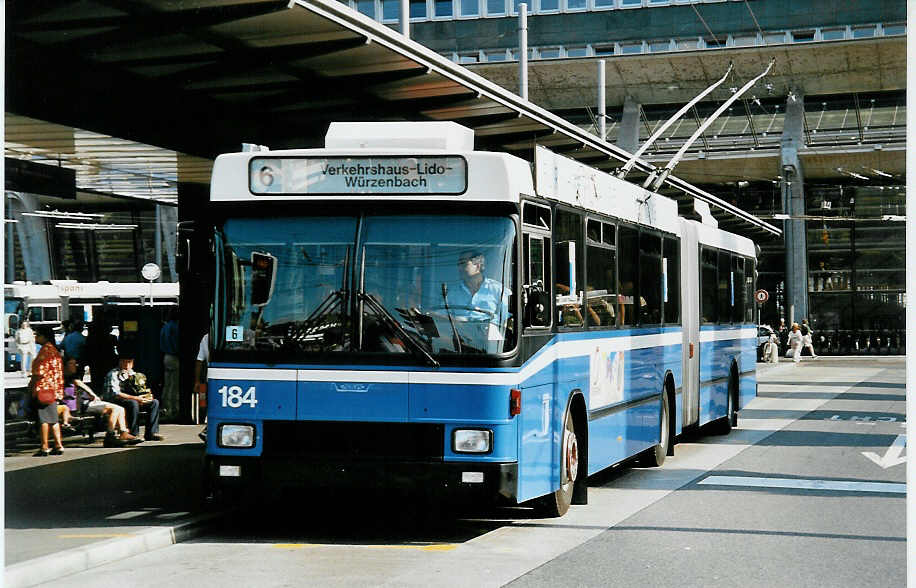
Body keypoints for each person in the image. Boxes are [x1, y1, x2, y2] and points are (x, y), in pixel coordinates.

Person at [64, 357, 142, 447]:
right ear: (65, 366)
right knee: (115, 409)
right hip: (83, 406)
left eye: (75, 363)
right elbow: (80, 384)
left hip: (87, 402)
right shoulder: (68, 377)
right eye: (71, 364)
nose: (75, 365)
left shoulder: (72, 377)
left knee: (120, 409)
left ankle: (123, 433)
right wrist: (93, 395)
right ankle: (110, 435)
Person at [103, 352, 163, 441]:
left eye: (129, 362)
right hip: (116, 400)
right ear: (120, 362)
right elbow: (116, 393)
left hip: (133, 398)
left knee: (154, 402)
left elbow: (143, 389)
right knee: (133, 403)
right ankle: (133, 433)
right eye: (125, 362)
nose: (127, 365)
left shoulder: (135, 374)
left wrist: (146, 397)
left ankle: (151, 433)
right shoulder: (113, 374)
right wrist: (136, 398)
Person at [29, 325, 65, 456]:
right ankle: (58, 445)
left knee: (43, 420)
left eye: (37, 335)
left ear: (44, 336)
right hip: (54, 391)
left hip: (43, 390)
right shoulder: (54, 350)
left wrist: (31, 384)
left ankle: (44, 446)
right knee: (54, 420)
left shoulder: (44, 351)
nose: (35, 337)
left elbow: (39, 372)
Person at [159, 307, 180, 419]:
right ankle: (174, 409)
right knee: (175, 385)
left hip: (166, 356)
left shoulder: (165, 327)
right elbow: (176, 342)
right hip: (175, 357)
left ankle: (166, 408)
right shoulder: (176, 327)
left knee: (167, 385)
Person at [195, 332, 209, 442]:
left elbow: (199, 361)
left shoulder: (207, 337)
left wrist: (197, 381)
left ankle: (208, 430)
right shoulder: (247, 333)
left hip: (213, 378)